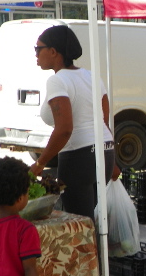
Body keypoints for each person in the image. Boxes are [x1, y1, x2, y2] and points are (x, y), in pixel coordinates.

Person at [30, 25, 120, 222]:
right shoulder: (92, 76)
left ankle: (93, 254)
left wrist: (40, 163)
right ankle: (102, 254)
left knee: (81, 225)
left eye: (38, 49)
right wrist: (113, 159)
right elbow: (104, 120)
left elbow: (65, 129)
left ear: (53, 52)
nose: (35, 54)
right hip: (105, 152)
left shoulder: (58, 81)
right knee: (96, 221)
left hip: (78, 158)